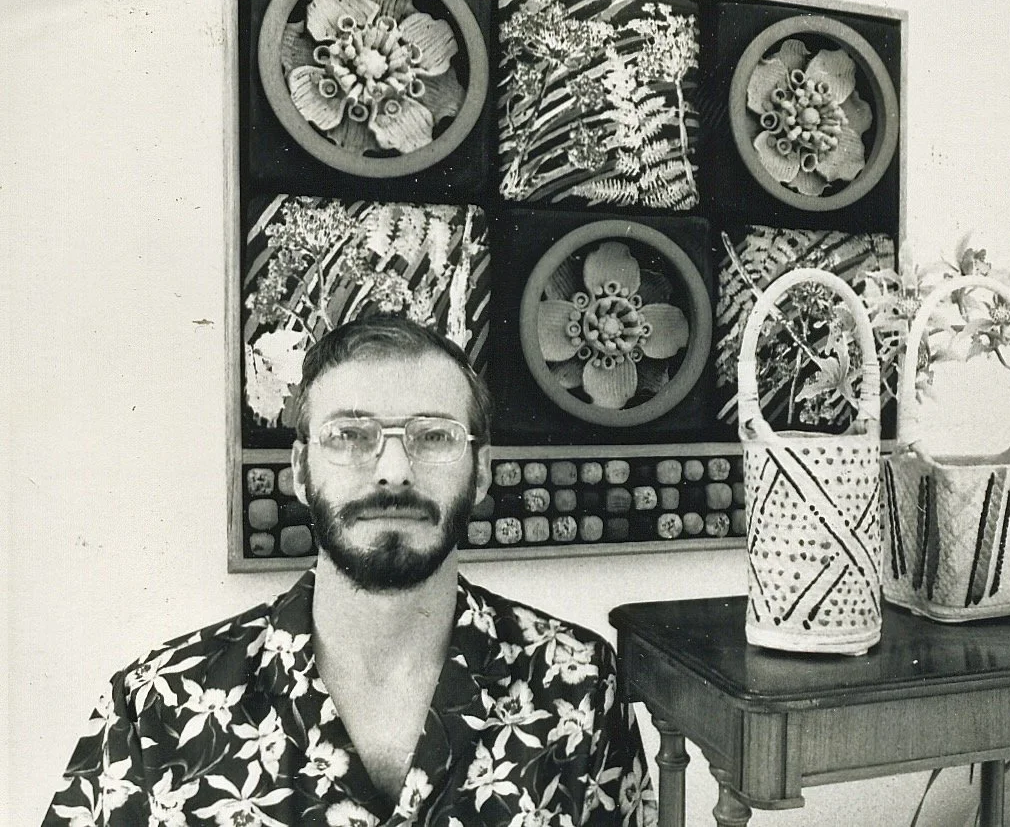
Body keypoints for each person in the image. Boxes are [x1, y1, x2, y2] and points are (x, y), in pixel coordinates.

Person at [43, 314, 657, 827]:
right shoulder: (157, 706)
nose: (393, 469)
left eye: (435, 437)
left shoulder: (579, 684)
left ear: (484, 469)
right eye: (350, 435)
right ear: (301, 470)